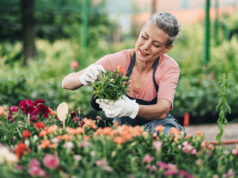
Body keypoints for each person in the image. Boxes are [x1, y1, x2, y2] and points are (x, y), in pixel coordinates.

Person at [62, 12, 185, 134]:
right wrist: (83, 78)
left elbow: (162, 109)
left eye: (156, 44)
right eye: (144, 37)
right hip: (123, 129)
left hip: (157, 127)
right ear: (140, 32)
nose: (146, 46)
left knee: (168, 134)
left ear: (167, 48)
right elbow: (66, 83)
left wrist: (133, 109)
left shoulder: (168, 67)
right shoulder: (120, 60)